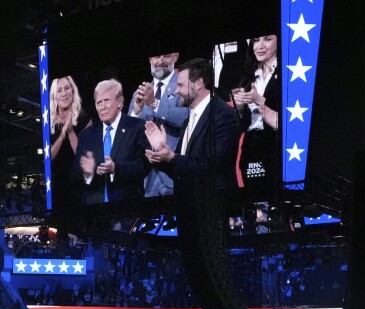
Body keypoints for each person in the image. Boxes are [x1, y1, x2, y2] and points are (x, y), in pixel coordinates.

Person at [144, 58, 241, 191]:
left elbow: (212, 167)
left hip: (214, 205)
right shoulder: (189, 120)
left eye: (181, 85)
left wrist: (172, 157)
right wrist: (161, 158)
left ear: (199, 84)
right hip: (189, 204)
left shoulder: (223, 115)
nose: (176, 91)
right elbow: (182, 170)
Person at [76, 79, 149, 204]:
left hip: (128, 206)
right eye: (98, 102)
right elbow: (75, 174)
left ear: (119, 103)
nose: (102, 107)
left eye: (107, 101)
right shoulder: (86, 135)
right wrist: (89, 173)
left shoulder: (137, 127)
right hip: (94, 211)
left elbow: (145, 165)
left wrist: (116, 168)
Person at [129, 53, 189, 197]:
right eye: (156, 57)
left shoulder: (184, 86)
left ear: (175, 57)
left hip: (175, 175)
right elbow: (129, 138)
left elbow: (186, 120)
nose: (160, 61)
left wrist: (154, 104)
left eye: (166, 56)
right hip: (147, 180)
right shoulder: (138, 94)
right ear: (150, 60)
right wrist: (135, 113)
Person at [230, 34, 280, 190]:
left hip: (275, 143)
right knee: (253, 197)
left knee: (275, 194)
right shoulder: (249, 75)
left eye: (267, 39)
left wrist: (259, 99)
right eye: (256, 41)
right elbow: (242, 121)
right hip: (251, 145)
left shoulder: (287, 72)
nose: (260, 46)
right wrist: (239, 106)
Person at [47, 76, 84, 206]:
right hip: (56, 185)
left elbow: (83, 156)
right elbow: (48, 157)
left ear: (73, 91)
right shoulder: (48, 123)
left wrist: (70, 131)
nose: (64, 93)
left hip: (80, 184)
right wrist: (62, 135)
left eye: (67, 88)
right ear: (54, 96)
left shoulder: (84, 119)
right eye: (59, 90)